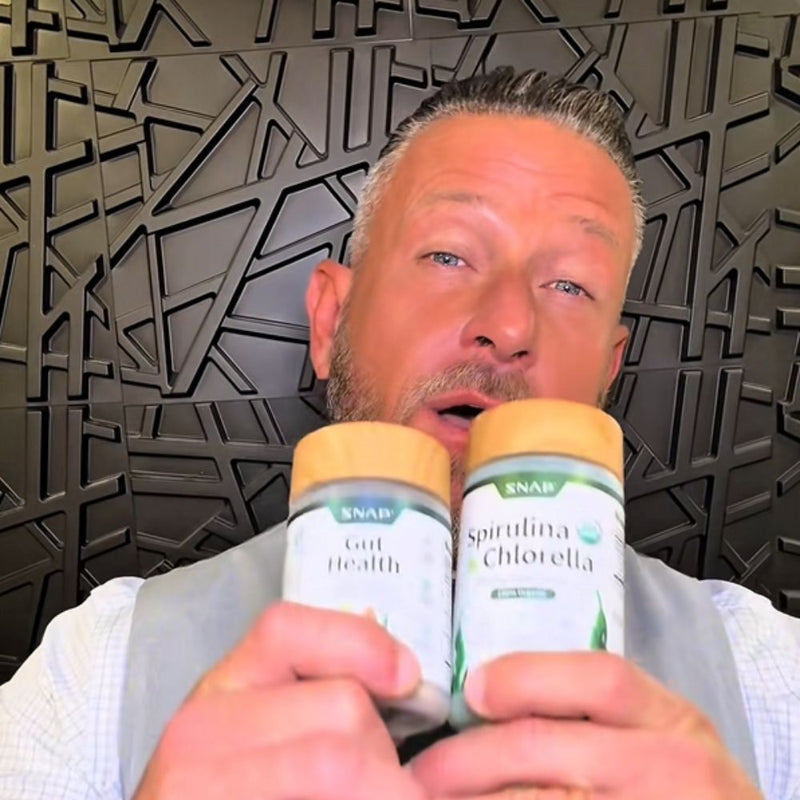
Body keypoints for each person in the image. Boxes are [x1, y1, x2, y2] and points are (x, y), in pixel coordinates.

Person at [0, 68, 798, 800]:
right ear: (330, 321)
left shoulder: (764, 672)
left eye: (569, 285)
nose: (510, 325)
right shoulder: (100, 668)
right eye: (448, 255)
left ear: (608, 374)